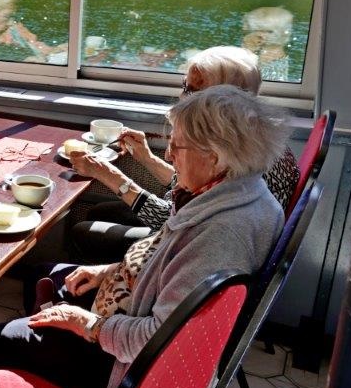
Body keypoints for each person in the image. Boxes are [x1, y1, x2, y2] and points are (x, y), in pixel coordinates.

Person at [0, 86, 287, 388]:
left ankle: (20, 386)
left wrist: (83, 322)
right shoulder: (238, 192)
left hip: (125, 370)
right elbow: (165, 264)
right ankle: (38, 365)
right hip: (131, 307)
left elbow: (155, 342)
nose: (170, 155)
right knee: (43, 276)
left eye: (176, 146)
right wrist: (110, 271)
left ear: (212, 157)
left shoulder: (220, 237)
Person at [67, 45, 300, 263]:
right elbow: (191, 188)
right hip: (196, 232)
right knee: (100, 211)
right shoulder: (247, 134)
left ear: (219, 98)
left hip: (190, 247)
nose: (181, 96)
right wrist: (146, 157)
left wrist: (108, 174)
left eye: (190, 90)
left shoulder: (232, 152)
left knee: (83, 232)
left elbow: (170, 220)